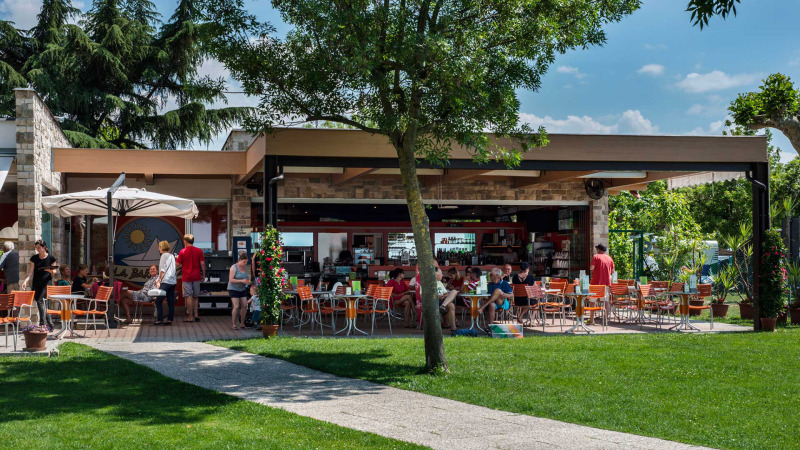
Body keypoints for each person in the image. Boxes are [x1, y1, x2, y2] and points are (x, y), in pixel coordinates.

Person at [21, 239, 57, 329]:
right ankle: (51, 324)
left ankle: (42, 324)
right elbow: (31, 272)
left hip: (46, 283)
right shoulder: (34, 258)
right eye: (36, 248)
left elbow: (54, 271)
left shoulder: (51, 258)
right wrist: (25, 281)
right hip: (36, 283)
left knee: (40, 301)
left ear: (44, 247)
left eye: (38, 247)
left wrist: (50, 270)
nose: (37, 249)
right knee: (44, 304)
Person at [176, 234, 206, 323]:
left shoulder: (182, 251)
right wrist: (203, 275)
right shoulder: (199, 250)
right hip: (196, 276)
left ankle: (190, 317)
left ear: (185, 241)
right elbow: (202, 263)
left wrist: (175, 259)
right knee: (196, 296)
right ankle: (196, 315)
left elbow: (177, 264)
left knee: (188, 296)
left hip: (186, 277)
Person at [153, 241, 177, 326]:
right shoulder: (172, 256)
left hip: (166, 281)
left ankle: (160, 320)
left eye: (159, 247)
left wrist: (159, 280)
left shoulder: (163, 256)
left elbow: (163, 269)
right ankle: (170, 319)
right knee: (171, 301)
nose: (158, 249)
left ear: (162, 247)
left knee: (158, 301)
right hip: (173, 281)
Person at [228, 252, 249, 330]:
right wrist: (241, 281)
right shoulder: (234, 267)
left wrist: (247, 281)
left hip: (242, 288)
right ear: (240, 260)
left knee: (244, 305)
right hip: (233, 288)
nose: (245, 263)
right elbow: (231, 279)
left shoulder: (245, 268)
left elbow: (247, 277)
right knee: (236, 306)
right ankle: (234, 324)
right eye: (244, 262)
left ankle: (242, 323)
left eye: (246, 262)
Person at [435, 267, 458, 332]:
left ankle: (453, 328)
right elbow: (423, 296)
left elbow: (446, 293)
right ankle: (453, 328)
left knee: (454, 291)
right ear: (435, 275)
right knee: (451, 305)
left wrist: (444, 296)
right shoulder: (427, 283)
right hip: (434, 302)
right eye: (441, 273)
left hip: (442, 301)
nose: (442, 275)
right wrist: (438, 296)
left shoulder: (440, 283)